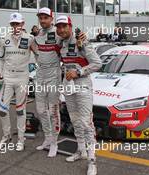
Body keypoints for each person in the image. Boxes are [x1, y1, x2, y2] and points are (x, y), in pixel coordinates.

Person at [55, 15, 102, 175]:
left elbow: (98, 63)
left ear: (70, 26)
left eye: (64, 26)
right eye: (58, 27)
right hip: (69, 87)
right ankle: (81, 151)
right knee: (75, 121)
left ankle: (92, 160)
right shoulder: (60, 43)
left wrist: (79, 72)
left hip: (82, 86)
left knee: (86, 123)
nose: (61, 30)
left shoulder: (82, 41)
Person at [0, 12, 37, 151]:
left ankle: (20, 138)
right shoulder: (4, 39)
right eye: (13, 24)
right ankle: (6, 136)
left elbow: (39, 55)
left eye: (17, 23)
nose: (15, 26)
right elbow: (0, 58)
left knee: (20, 110)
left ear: (22, 24)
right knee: (2, 109)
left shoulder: (30, 39)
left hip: (22, 78)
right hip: (7, 77)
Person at [33, 7, 62, 158]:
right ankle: (47, 138)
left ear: (52, 18)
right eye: (41, 17)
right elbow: (33, 47)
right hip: (40, 74)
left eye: (46, 17)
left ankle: (55, 143)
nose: (43, 20)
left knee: (53, 111)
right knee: (41, 110)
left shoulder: (59, 33)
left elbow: (71, 39)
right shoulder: (37, 35)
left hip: (53, 76)